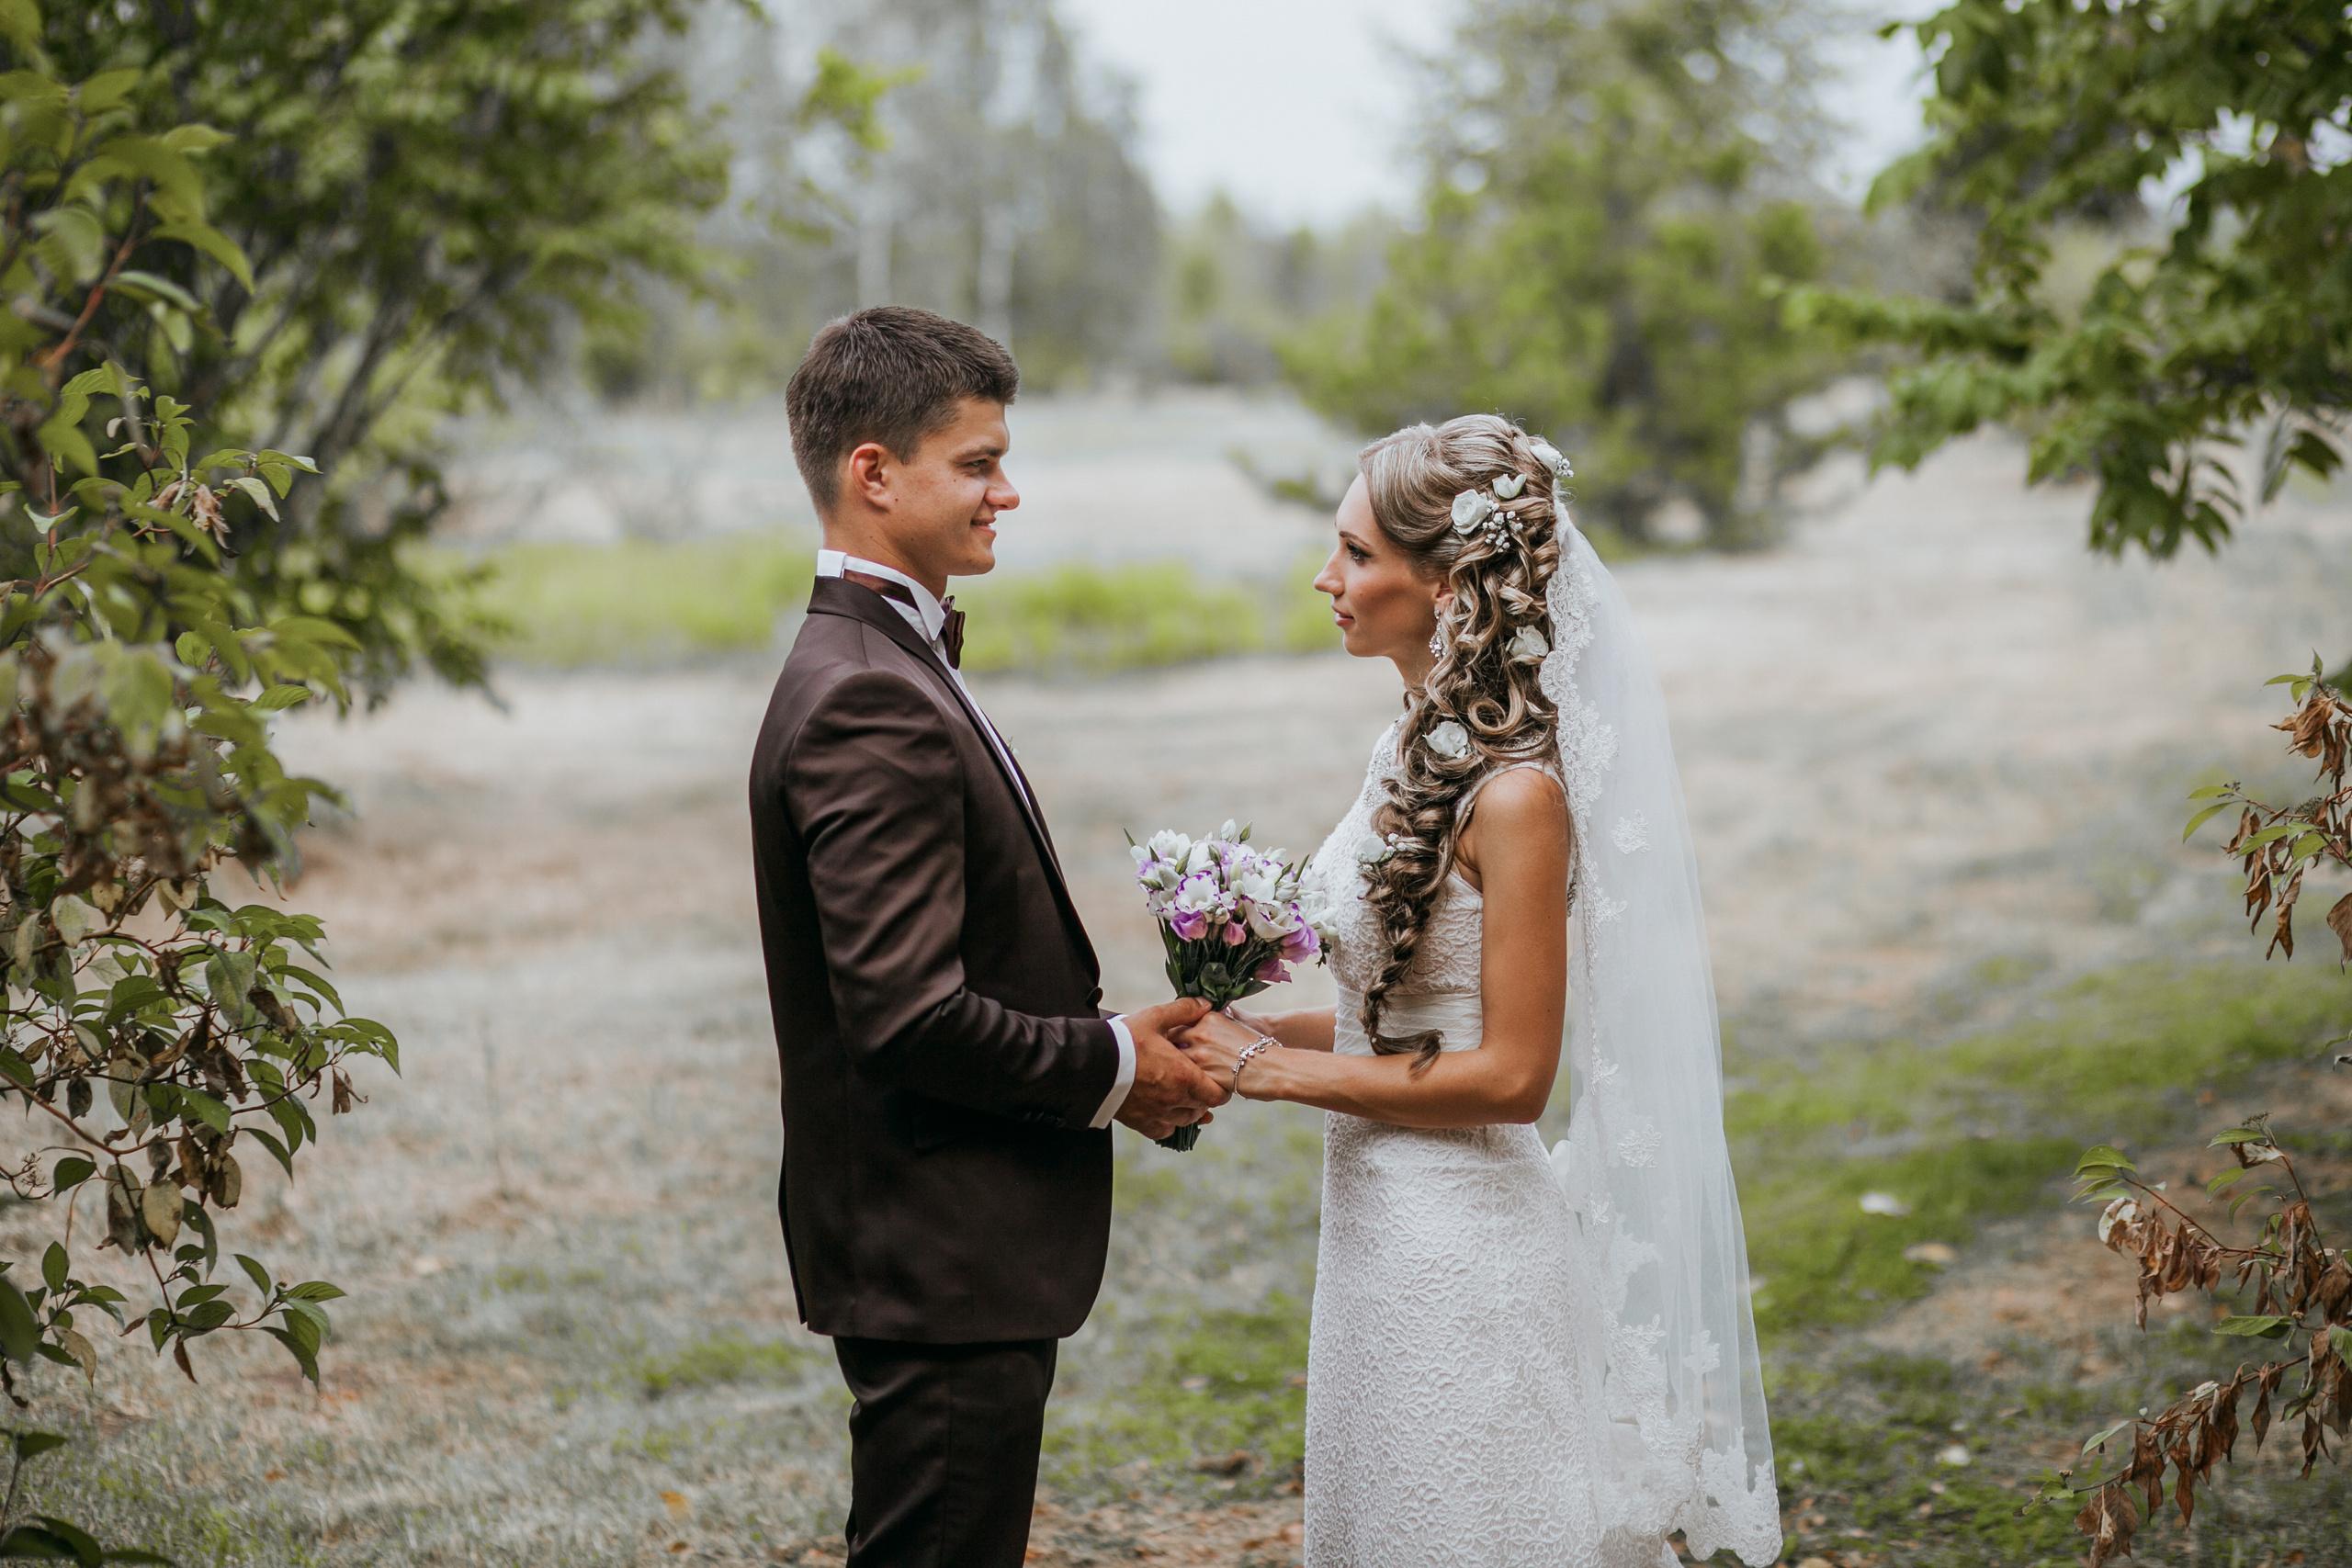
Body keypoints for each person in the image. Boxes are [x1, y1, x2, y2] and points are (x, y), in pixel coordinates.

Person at [1176, 415, 1782, 1567]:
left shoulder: (1515, 799)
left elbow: (1510, 1076)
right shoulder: (1410, 747)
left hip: (1463, 1248)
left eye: (1355, 554)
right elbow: (1393, 1023)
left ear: (1450, 587)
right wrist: (1247, 1031)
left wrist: (1281, 1071)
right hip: (1370, 1230)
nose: (1325, 577)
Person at [748, 306, 1228, 1568]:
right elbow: (907, 1012)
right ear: (873, 472)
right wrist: (1115, 1064)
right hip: (940, 1244)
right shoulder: (865, 690)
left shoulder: (882, 654)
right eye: (977, 462)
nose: (1007, 492)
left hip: (941, 1240)